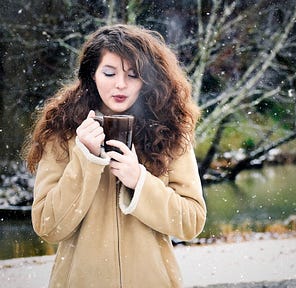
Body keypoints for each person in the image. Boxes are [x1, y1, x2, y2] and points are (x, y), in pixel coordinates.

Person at [23, 24, 206, 288]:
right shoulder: (62, 130)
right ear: (92, 74)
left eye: (133, 75)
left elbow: (191, 222)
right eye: (109, 73)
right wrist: (84, 158)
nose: (120, 84)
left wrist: (140, 181)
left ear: (146, 80)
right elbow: (48, 226)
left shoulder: (170, 130)